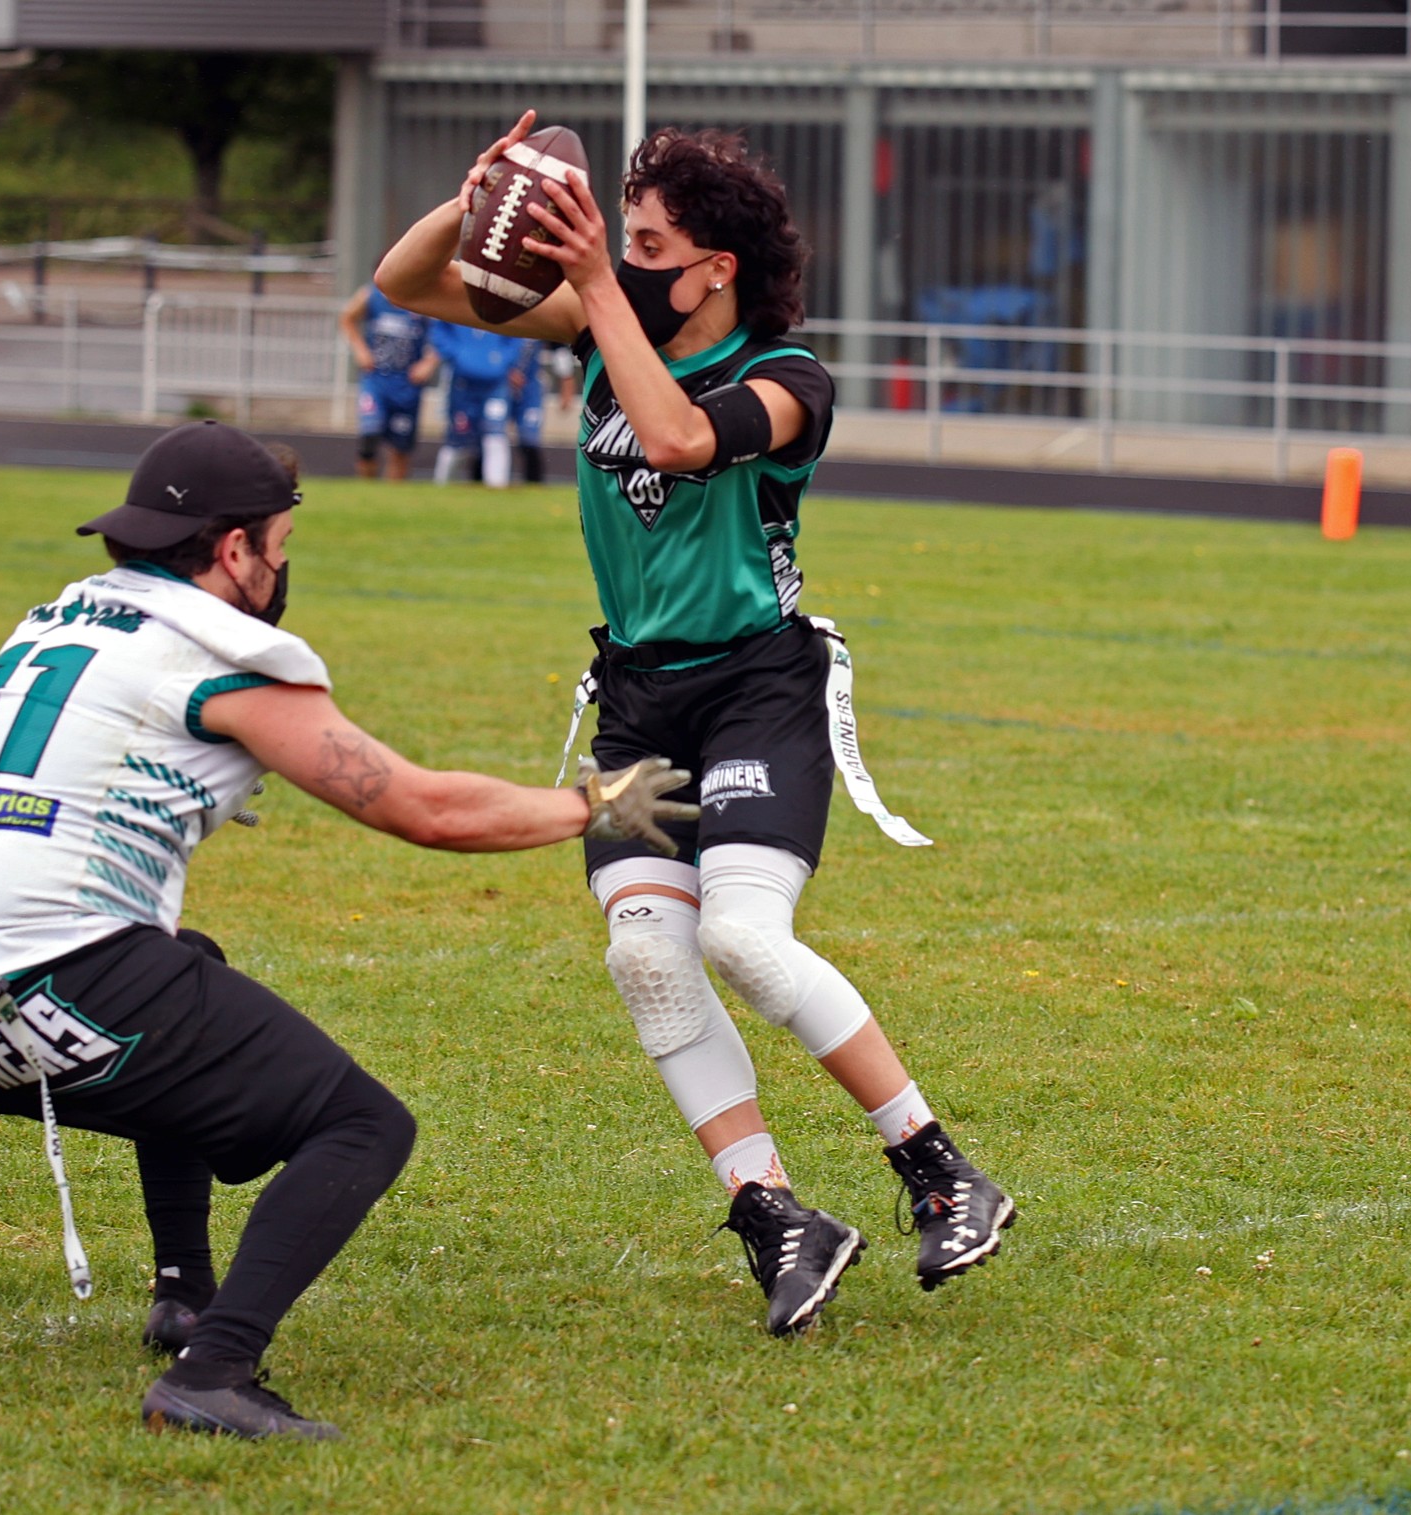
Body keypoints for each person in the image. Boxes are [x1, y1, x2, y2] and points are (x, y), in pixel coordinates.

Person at [0, 420, 694, 1439]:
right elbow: (421, 807)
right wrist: (590, 804)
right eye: (280, 545)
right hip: (52, 988)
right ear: (232, 547)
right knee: (364, 1125)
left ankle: (183, 1292)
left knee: (187, 971)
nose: (282, 568)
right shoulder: (222, 656)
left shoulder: (61, 622)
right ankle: (211, 1373)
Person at [376, 117, 1014, 1336]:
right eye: (623, 237)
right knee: (643, 956)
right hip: (636, 705)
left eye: (650, 244)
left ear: (717, 267)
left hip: (754, 689)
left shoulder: (787, 377)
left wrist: (593, 285)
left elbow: (676, 437)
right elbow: (405, 283)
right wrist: (477, 201)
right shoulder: (598, 329)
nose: (624, 258)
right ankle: (771, 1211)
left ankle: (937, 1168)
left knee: (742, 939)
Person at [340, 283, 439, 480]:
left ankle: (393, 491)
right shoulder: (371, 295)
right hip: (376, 379)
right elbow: (347, 318)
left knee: (400, 448)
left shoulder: (423, 299)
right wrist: (360, 350)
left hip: (407, 385)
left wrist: (429, 362)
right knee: (369, 436)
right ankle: (366, 488)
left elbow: (445, 333)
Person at [428, 318, 529, 487]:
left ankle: (496, 488)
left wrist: (503, 360)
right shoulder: (457, 306)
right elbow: (438, 331)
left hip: (495, 383)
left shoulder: (503, 308)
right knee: (458, 439)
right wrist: (457, 354)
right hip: (462, 383)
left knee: (495, 433)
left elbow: (517, 334)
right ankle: (441, 486)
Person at [509, 338, 551, 485]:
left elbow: (559, 347)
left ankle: (534, 484)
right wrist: (507, 371)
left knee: (529, 440)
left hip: (530, 390)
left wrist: (567, 380)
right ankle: (480, 481)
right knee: (489, 436)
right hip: (498, 385)